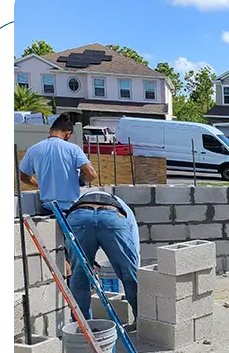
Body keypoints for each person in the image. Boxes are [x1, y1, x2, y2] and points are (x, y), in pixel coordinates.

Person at [65, 190, 140, 326]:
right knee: (129, 273)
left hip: (79, 218)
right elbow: (134, 254)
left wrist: (82, 261)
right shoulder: (124, 208)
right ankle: (141, 320)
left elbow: (70, 248)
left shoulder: (77, 203)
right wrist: (132, 270)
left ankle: (83, 326)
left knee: (79, 276)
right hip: (112, 217)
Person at [19, 114, 97, 213]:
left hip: (48, 208)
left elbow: (23, 176)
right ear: (68, 134)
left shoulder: (33, 150)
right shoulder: (73, 149)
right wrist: (81, 179)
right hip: (70, 208)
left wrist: (42, 185)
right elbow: (92, 174)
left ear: (50, 130)